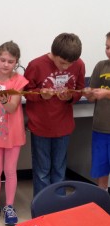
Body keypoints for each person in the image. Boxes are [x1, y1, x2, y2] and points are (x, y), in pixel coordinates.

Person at [24, 33, 85, 197]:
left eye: (69, 64)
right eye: (62, 63)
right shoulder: (36, 65)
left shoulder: (78, 64)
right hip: (41, 127)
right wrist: (40, 94)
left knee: (59, 169)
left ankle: (58, 206)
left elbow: (79, 90)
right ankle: (43, 208)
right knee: (42, 171)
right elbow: (26, 92)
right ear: (54, 54)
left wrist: (71, 97)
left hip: (63, 127)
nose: (65, 67)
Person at [0, 41, 28, 226]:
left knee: (10, 171)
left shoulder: (19, 81)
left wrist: (3, 100)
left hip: (14, 134)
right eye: (2, 60)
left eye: (10, 61)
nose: (5, 64)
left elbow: (12, 108)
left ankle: (9, 206)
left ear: (16, 63)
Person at [83, 32, 110, 191]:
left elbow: (104, 94)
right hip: (100, 129)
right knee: (101, 168)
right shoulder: (101, 66)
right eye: (107, 47)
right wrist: (88, 93)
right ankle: (103, 199)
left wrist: (107, 93)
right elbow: (92, 97)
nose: (108, 51)